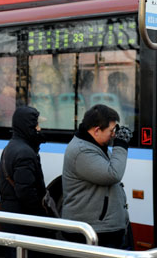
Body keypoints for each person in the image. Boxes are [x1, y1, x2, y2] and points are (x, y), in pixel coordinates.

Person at [62, 104, 132, 249]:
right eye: (111, 131)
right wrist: (120, 144)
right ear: (96, 130)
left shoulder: (95, 145)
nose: (114, 134)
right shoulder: (81, 151)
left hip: (105, 228)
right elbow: (113, 174)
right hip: (96, 232)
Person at [0, 106, 49, 258]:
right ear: (27, 126)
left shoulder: (12, 147)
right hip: (22, 220)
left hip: (11, 216)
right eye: (36, 125)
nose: (39, 128)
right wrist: (41, 214)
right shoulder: (24, 153)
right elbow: (26, 192)